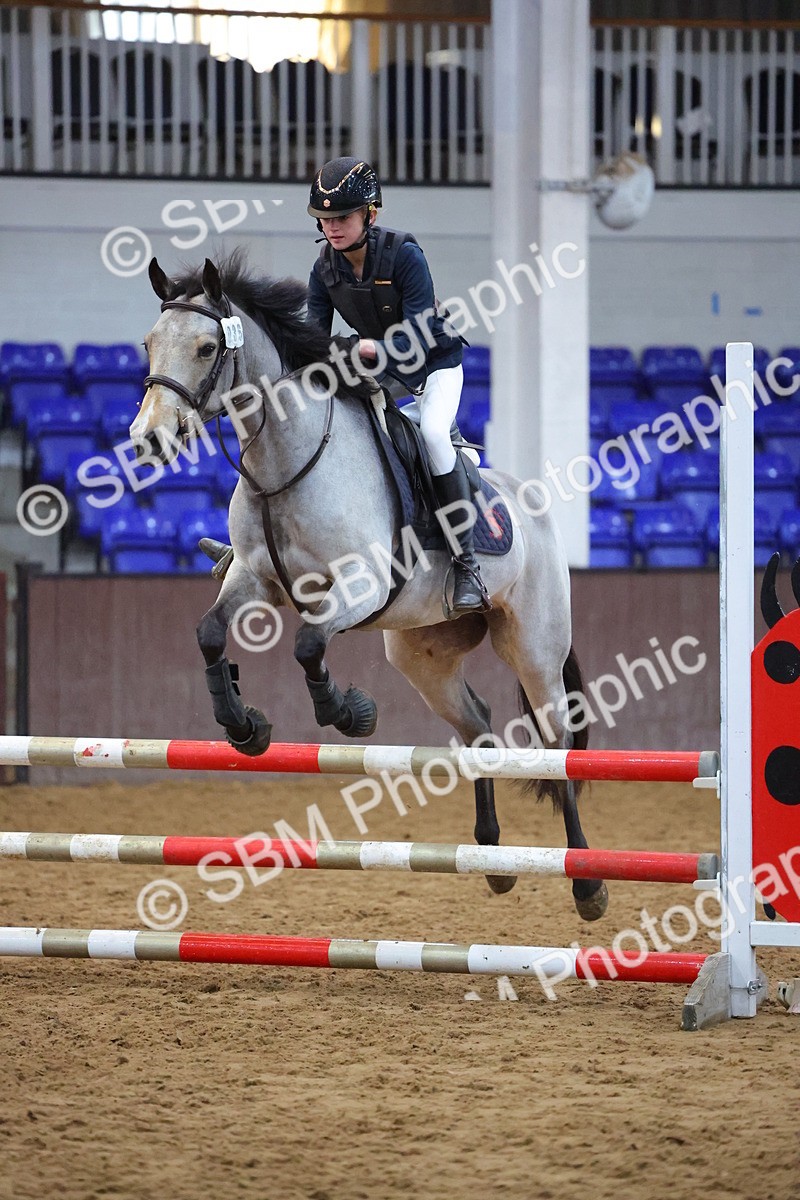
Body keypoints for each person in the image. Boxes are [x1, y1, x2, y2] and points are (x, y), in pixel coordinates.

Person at [306, 156, 491, 617]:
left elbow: (417, 334)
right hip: (383, 374)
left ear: (371, 213)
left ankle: (467, 564)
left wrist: (362, 348)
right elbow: (311, 336)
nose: (332, 227)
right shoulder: (324, 269)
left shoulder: (404, 255)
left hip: (434, 366)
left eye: (342, 217)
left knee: (430, 435)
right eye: (325, 219)